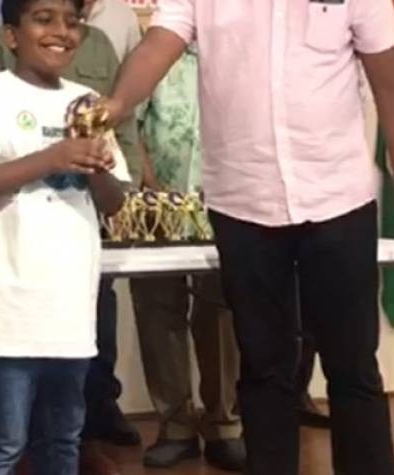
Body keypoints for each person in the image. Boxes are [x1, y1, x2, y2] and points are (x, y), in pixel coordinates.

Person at [95, 0, 394, 475]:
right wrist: (113, 107)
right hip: (244, 207)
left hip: (339, 202)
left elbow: (393, 88)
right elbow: (154, 51)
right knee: (264, 370)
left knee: (352, 367)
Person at [0, 0, 129, 475]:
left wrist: (96, 167)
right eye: (44, 20)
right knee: (1, 446)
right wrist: (51, 158)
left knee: (62, 441)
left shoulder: (88, 103)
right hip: (7, 303)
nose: (61, 32)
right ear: (11, 35)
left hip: (69, 305)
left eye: (72, 22)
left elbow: (114, 203)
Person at [129, 46, 245, 471]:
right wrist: (154, 191)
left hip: (227, 205)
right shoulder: (152, 56)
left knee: (222, 314)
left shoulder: (240, 54)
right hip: (158, 208)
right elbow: (129, 126)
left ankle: (224, 425)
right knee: (158, 313)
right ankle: (175, 427)